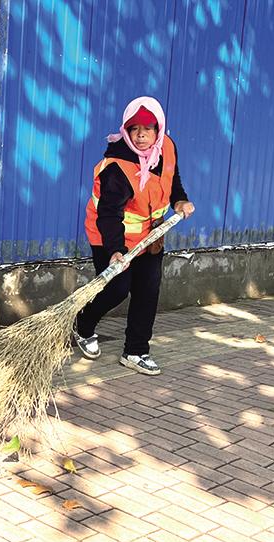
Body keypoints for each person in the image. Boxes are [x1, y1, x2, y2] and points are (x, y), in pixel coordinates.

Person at [74, 96, 195, 375]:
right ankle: (83, 324)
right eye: (134, 129)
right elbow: (109, 214)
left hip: (151, 235)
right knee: (117, 288)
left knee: (147, 290)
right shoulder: (117, 167)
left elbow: (172, 178)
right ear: (126, 131)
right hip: (110, 234)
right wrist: (115, 249)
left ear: (158, 129)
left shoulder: (166, 146)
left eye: (148, 128)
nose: (141, 135)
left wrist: (180, 201)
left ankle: (136, 351)